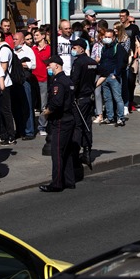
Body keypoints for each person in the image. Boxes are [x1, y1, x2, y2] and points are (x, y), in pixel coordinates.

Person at [40, 56, 77, 192]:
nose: (47, 67)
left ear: (57, 65)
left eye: (49, 65)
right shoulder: (67, 80)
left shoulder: (58, 82)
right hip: (69, 119)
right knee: (66, 151)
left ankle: (57, 183)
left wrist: (47, 112)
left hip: (60, 120)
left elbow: (57, 102)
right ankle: (69, 180)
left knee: (57, 153)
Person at [70, 39, 97, 170]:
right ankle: (87, 152)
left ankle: (75, 154)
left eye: (74, 47)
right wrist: (94, 86)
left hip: (79, 98)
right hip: (90, 98)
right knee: (87, 124)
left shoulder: (78, 63)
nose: (72, 49)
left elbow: (74, 82)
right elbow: (104, 73)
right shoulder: (92, 62)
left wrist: (70, 95)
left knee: (78, 126)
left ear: (81, 48)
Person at [0, 26, 17, 145]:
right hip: (0, 83)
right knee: (1, 109)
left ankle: (10, 135)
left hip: (4, 84)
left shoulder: (4, 49)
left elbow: (3, 68)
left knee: (6, 110)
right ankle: (4, 133)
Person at [97, 28, 127, 126]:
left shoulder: (118, 47)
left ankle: (120, 118)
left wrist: (116, 74)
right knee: (107, 98)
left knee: (117, 98)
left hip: (113, 76)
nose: (107, 39)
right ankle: (109, 117)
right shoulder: (104, 48)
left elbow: (122, 61)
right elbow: (102, 61)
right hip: (104, 76)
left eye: (109, 37)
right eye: (105, 37)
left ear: (113, 37)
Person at [13, 31, 37, 140]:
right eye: (13, 39)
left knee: (27, 105)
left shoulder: (28, 50)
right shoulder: (13, 51)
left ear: (22, 40)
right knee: (16, 107)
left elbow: (33, 64)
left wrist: (20, 64)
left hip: (24, 80)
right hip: (14, 81)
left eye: (16, 39)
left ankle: (29, 131)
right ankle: (20, 130)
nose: (14, 41)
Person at [33, 28, 51, 136]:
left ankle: (42, 126)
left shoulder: (49, 48)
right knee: (34, 103)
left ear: (43, 36)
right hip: (34, 79)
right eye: (35, 35)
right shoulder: (33, 49)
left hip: (44, 79)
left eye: (37, 35)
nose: (35, 37)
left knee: (44, 104)